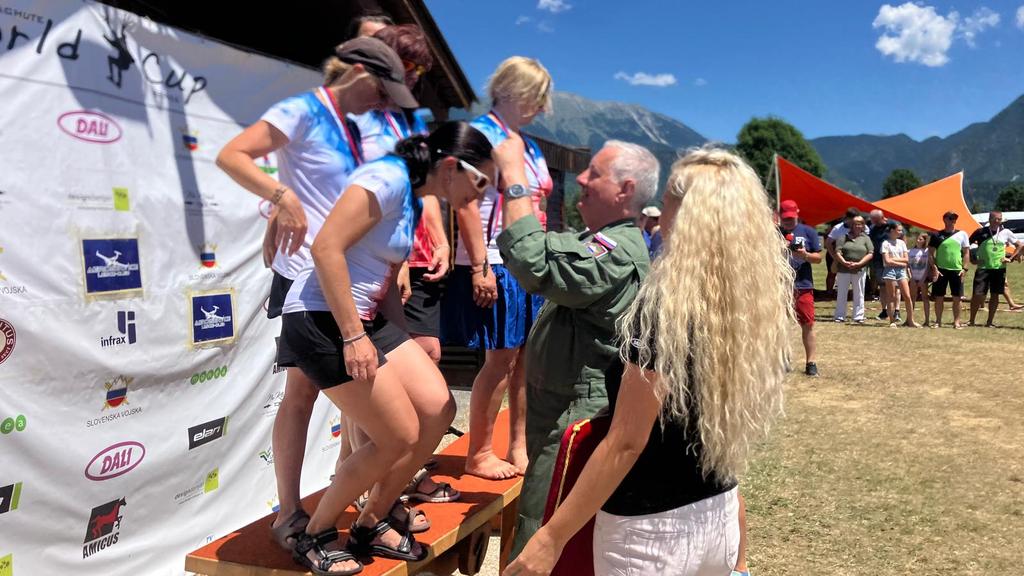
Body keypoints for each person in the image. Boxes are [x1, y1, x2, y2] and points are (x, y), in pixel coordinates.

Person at [503, 146, 791, 576]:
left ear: (684, 214)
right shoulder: (746, 303)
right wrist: (740, 561)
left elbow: (625, 442)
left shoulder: (665, 309)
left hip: (651, 536)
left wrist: (549, 539)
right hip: (719, 515)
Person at [276, 122, 494, 574]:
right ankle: (316, 531)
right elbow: (326, 248)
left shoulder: (415, 197)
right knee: (397, 436)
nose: (481, 196)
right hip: (322, 319)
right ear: (452, 167)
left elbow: (387, 281)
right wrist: (355, 336)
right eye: (481, 182)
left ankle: (372, 520)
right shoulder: (387, 179)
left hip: (368, 319)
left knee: (437, 408)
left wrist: (401, 346)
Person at [215, 36, 403, 555]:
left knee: (363, 396)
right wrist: (281, 196)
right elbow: (232, 155)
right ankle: (289, 510)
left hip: (346, 277)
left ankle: (366, 499)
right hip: (303, 273)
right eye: (385, 81)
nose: (389, 96)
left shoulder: (367, 124)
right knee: (303, 394)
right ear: (360, 70)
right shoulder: (303, 109)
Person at [491, 136, 657, 560]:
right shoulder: (599, 238)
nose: (580, 178)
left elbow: (538, 264)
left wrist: (514, 179)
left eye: (594, 174)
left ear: (625, 191)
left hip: (574, 416)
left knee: (542, 531)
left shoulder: (617, 249)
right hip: (560, 408)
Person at [442, 56, 555, 480]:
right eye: (537, 98)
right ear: (512, 91)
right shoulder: (481, 135)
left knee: (526, 359)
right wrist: (478, 267)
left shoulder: (528, 143)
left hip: (529, 259)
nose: (542, 108)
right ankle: (479, 452)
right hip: (494, 258)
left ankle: (518, 445)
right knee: (501, 359)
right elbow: (465, 203)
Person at [778, 199, 822, 376]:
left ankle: (811, 362)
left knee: (808, 324)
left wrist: (805, 255)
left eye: (791, 218)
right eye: (785, 218)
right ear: (780, 216)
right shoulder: (772, 233)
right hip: (778, 285)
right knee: (778, 324)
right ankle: (782, 358)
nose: (788, 221)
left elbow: (818, 258)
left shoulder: (808, 231)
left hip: (802, 284)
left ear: (797, 214)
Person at [968, 210, 1024, 326]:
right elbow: (966, 245)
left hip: (999, 269)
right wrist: (973, 259)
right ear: (990, 219)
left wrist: (1011, 258)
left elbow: (1020, 245)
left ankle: (990, 322)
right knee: (977, 295)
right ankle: (971, 321)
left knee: (995, 294)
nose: (998, 221)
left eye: (1000, 219)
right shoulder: (980, 232)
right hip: (983, 268)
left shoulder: (1006, 232)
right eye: (996, 219)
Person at [928, 211, 971, 329]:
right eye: (951, 218)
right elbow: (930, 253)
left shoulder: (962, 234)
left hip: (957, 270)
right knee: (939, 297)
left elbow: (966, 252)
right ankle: (938, 321)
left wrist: (965, 268)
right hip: (941, 270)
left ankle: (956, 322)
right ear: (945, 220)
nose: (953, 220)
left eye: (955, 218)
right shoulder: (936, 235)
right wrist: (934, 268)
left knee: (957, 297)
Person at [833, 216, 874, 324]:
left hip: (859, 269)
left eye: (860, 224)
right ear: (851, 225)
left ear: (863, 226)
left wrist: (859, 263)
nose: (857, 226)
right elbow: (837, 251)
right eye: (855, 224)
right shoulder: (843, 237)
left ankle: (858, 316)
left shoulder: (866, 238)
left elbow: (870, 253)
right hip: (843, 269)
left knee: (859, 293)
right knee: (841, 293)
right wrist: (844, 262)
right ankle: (840, 316)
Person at [881, 222, 919, 327]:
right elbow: (887, 261)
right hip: (889, 271)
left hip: (902, 271)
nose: (901, 232)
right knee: (891, 296)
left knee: (907, 296)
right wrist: (900, 261)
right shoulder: (885, 243)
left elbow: (906, 259)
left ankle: (910, 320)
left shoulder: (901, 243)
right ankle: (892, 321)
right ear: (892, 231)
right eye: (899, 230)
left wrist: (894, 260)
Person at [825, 208, 861, 294]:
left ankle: (855, 293)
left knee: (854, 275)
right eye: (852, 220)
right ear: (847, 218)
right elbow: (828, 243)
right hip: (836, 253)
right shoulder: (838, 228)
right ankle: (829, 292)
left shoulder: (862, 227)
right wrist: (834, 256)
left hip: (854, 255)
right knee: (831, 273)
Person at [867, 209, 894, 320]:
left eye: (875, 220)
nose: (873, 222)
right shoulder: (873, 229)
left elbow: (902, 239)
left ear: (881, 218)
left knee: (893, 286)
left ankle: (895, 311)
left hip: (892, 260)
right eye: (873, 220)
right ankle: (884, 311)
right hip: (878, 261)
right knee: (882, 287)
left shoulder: (891, 225)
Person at [908, 232, 932, 326]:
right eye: (917, 239)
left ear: (925, 241)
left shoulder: (926, 251)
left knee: (925, 298)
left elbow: (928, 266)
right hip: (913, 277)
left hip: (923, 278)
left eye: (921, 239)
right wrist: (911, 277)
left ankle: (927, 320)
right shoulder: (910, 251)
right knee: (912, 298)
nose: (918, 241)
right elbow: (908, 265)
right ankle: (910, 319)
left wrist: (923, 278)